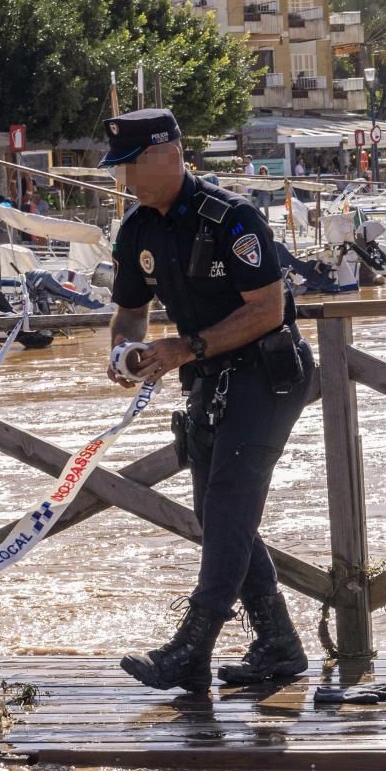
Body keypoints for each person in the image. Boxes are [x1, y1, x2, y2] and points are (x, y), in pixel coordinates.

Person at [102, 108, 315, 695]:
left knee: (225, 509)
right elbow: (129, 312)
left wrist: (184, 347)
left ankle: (191, 647)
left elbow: (268, 311)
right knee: (217, 518)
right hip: (205, 380)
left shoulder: (231, 217)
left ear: (167, 155)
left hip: (267, 376)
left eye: (128, 166)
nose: (122, 178)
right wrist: (126, 355)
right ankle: (277, 643)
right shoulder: (137, 228)